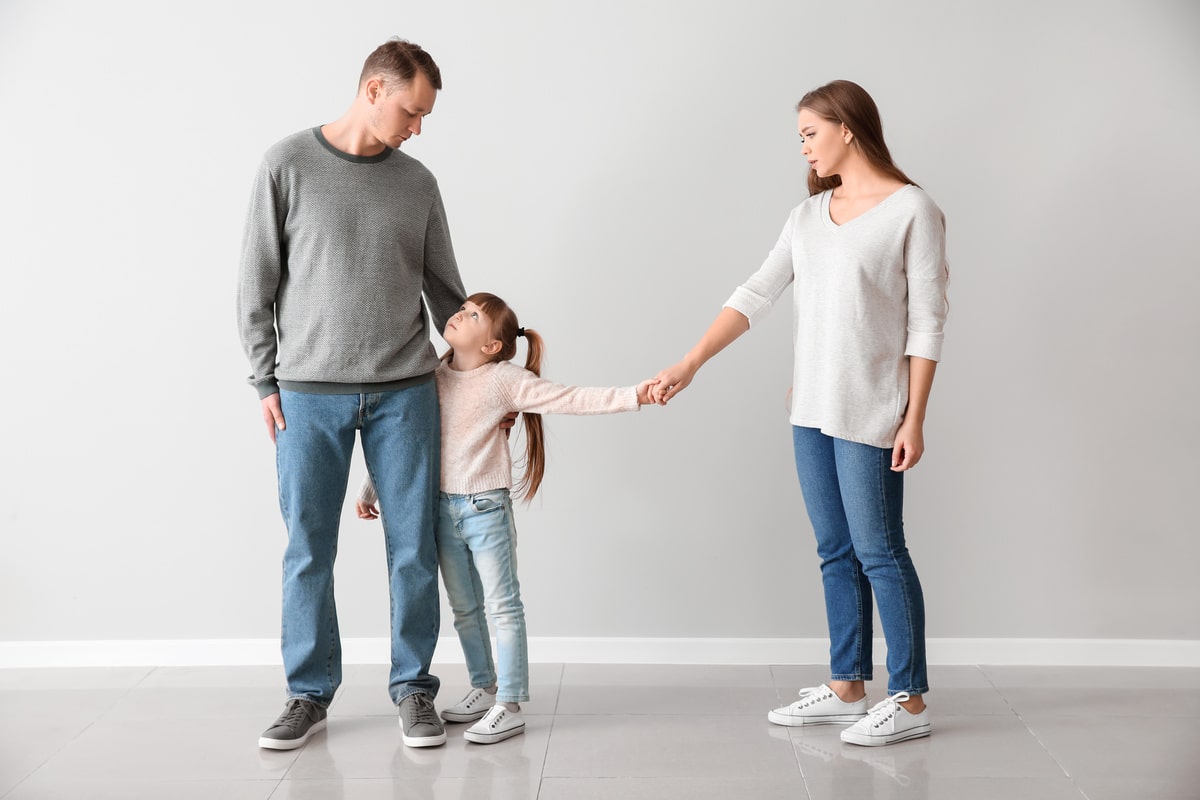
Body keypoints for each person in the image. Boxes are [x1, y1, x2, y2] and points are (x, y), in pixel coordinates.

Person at [650, 80, 949, 747]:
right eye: (801, 138)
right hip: (809, 410)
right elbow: (757, 292)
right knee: (834, 551)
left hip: (873, 410)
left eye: (810, 133)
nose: (805, 147)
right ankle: (848, 686)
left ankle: (911, 699)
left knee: (880, 551)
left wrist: (914, 417)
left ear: (847, 128)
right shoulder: (807, 217)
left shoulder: (912, 211)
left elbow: (926, 324)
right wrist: (691, 362)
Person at [237, 38, 467, 750]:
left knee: (412, 547)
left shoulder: (418, 182)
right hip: (307, 394)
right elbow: (256, 281)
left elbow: (445, 291)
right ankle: (307, 693)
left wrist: (484, 372)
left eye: (425, 116)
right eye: (412, 110)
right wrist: (263, 379)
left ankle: (414, 689)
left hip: (406, 391)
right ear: (374, 89)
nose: (417, 127)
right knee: (308, 547)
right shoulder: (286, 164)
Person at [357, 292, 652, 744]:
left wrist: (636, 395)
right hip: (439, 508)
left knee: (502, 606)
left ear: (493, 345)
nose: (458, 313)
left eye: (473, 314)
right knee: (465, 609)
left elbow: (570, 398)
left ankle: (510, 703)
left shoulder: (503, 380)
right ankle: (484, 685)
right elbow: (406, 438)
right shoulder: (432, 374)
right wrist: (372, 486)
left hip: (485, 509)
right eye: (463, 308)